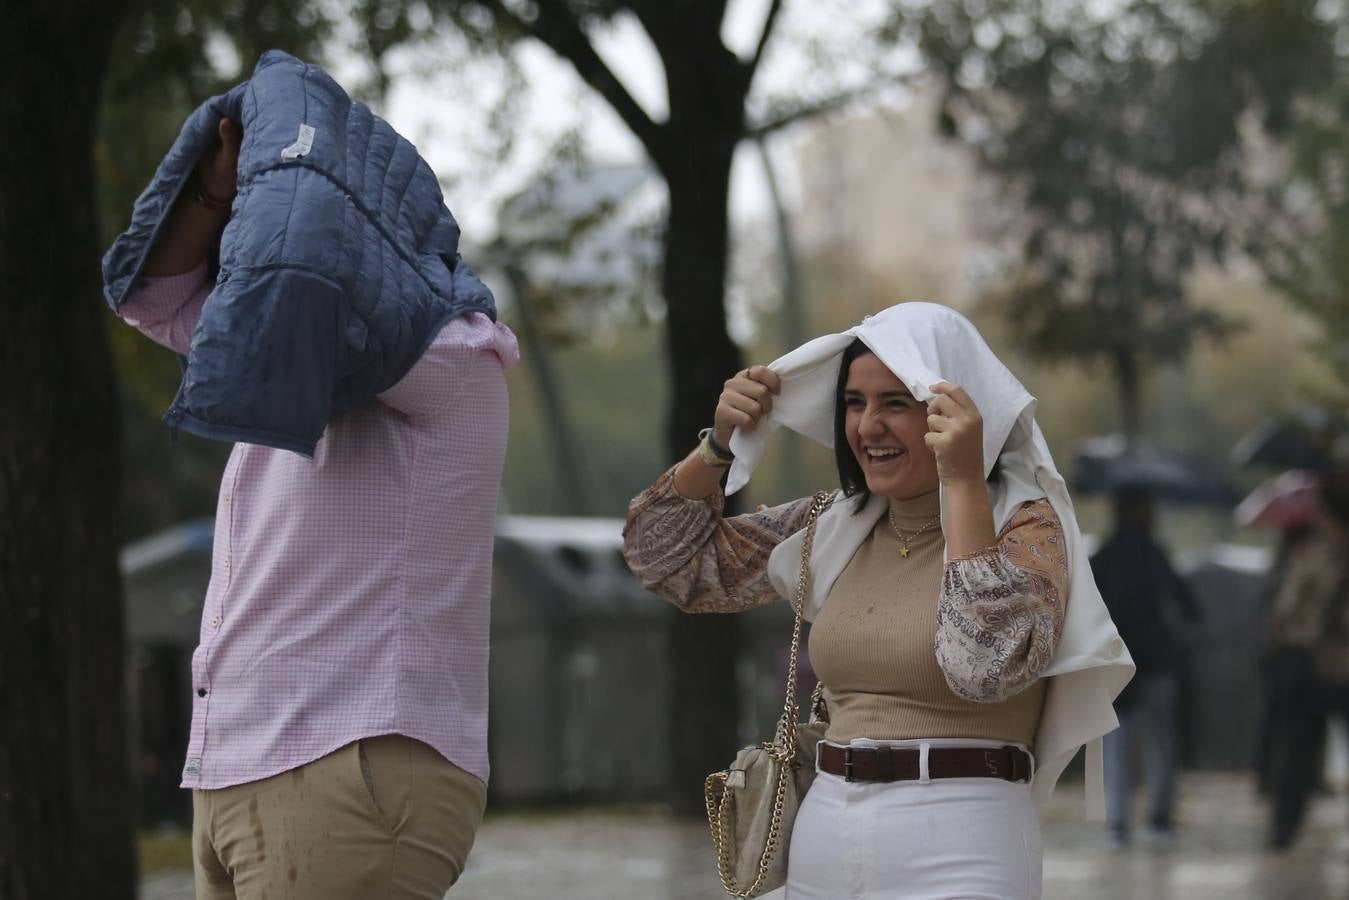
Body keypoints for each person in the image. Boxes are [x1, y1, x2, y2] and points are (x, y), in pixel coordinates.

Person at [114, 116, 518, 899]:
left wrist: (307, 193)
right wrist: (214, 186)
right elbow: (153, 298)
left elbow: (320, 293)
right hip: (236, 768)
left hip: (351, 762)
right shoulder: (278, 356)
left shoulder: (454, 352)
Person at [623, 303, 1132, 899]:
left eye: (896, 403)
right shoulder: (834, 524)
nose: (868, 428)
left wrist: (963, 482)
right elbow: (667, 562)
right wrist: (717, 445)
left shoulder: (1027, 527)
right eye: (854, 404)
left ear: (958, 412)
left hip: (964, 841)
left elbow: (981, 667)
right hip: (825, 833)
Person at [1089, 488, 1201, 847]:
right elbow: (1186, 603)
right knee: (1162, 742)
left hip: (1116, 662)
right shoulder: (1155, 554)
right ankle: (1159, 818)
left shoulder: (1103, 558)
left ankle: (1118, 824)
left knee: (1116, 744)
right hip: (1157, 661)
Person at [1262, 466, 1349, 850]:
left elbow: (1285, 614)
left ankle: (1283, 832)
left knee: (1297, 753)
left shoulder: (1312, 552)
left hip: (1312, 666)